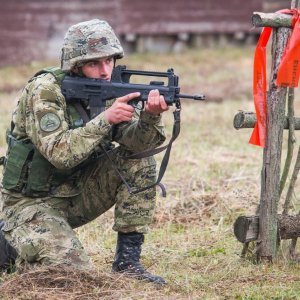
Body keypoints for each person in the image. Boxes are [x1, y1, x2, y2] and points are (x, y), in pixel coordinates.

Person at [0, 19, 168, 284]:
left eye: (109, 61)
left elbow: (135, 145)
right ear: (75, 66)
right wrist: (105, 120)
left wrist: (149, 117)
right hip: (28, 202)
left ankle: (127, 263)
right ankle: (10, 244)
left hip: (75, 192)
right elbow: (60, 153)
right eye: (94, 63)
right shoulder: (45, 91)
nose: (104, 71)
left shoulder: (109, 89)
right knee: (75, 276)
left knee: (139, 162)